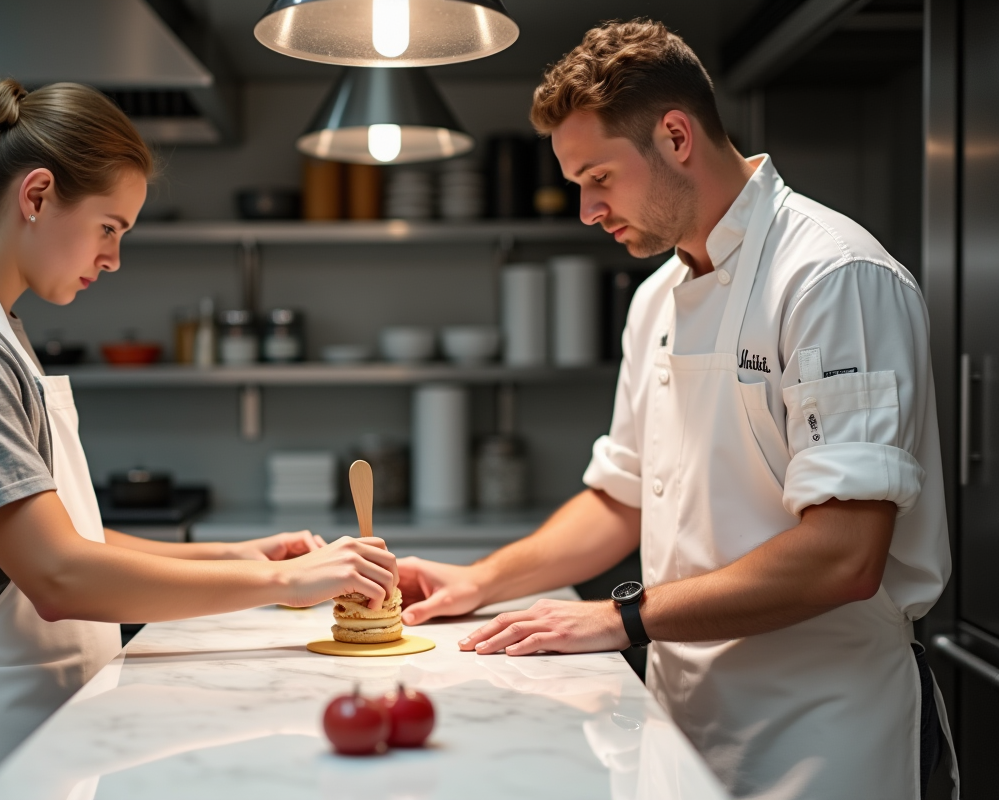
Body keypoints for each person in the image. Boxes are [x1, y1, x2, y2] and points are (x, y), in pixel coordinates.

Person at [397, 20, 956, 800]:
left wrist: (620, 618)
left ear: (675, 135)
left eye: (599, 177)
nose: (586, 210)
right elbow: (623, 498)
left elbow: (845, 555)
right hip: (679, 716)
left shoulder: (832, 276)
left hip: (825, 731)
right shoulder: (657, 296)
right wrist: (478, 582)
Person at [0, 79, 398, 800]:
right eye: (109, 227)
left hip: (28, 733)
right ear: (38, 194)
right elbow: (57, 577)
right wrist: (282, 583)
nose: (113, 258)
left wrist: (234, 554)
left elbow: (64, 540)